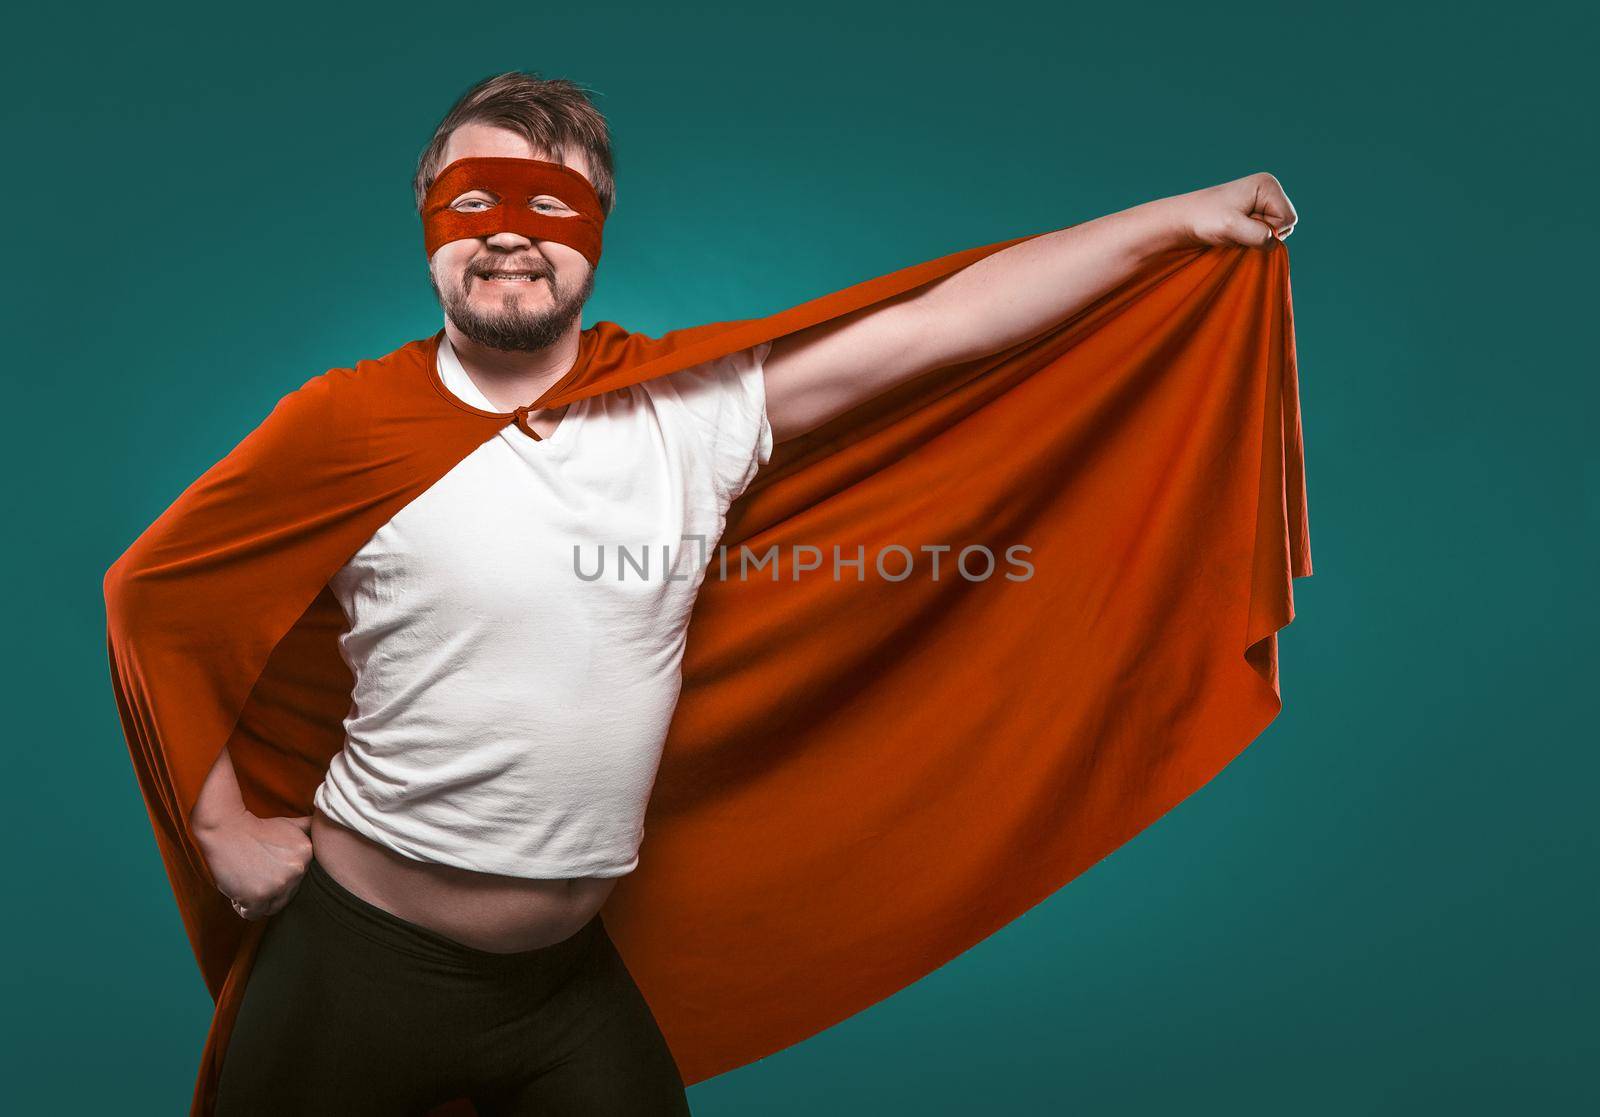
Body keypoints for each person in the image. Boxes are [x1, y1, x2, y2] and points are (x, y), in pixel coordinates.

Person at [144, 71, 1296, 1116]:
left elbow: (945, 323)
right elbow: (159, 595)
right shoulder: (344, 426)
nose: (507, 237)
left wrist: (1175, 219)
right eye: (471, 204)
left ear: (596, 236)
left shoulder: (692, 411)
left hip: (561, 982)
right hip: (363, 966)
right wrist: (222, 825)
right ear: (427, 226)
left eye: (548, 206)